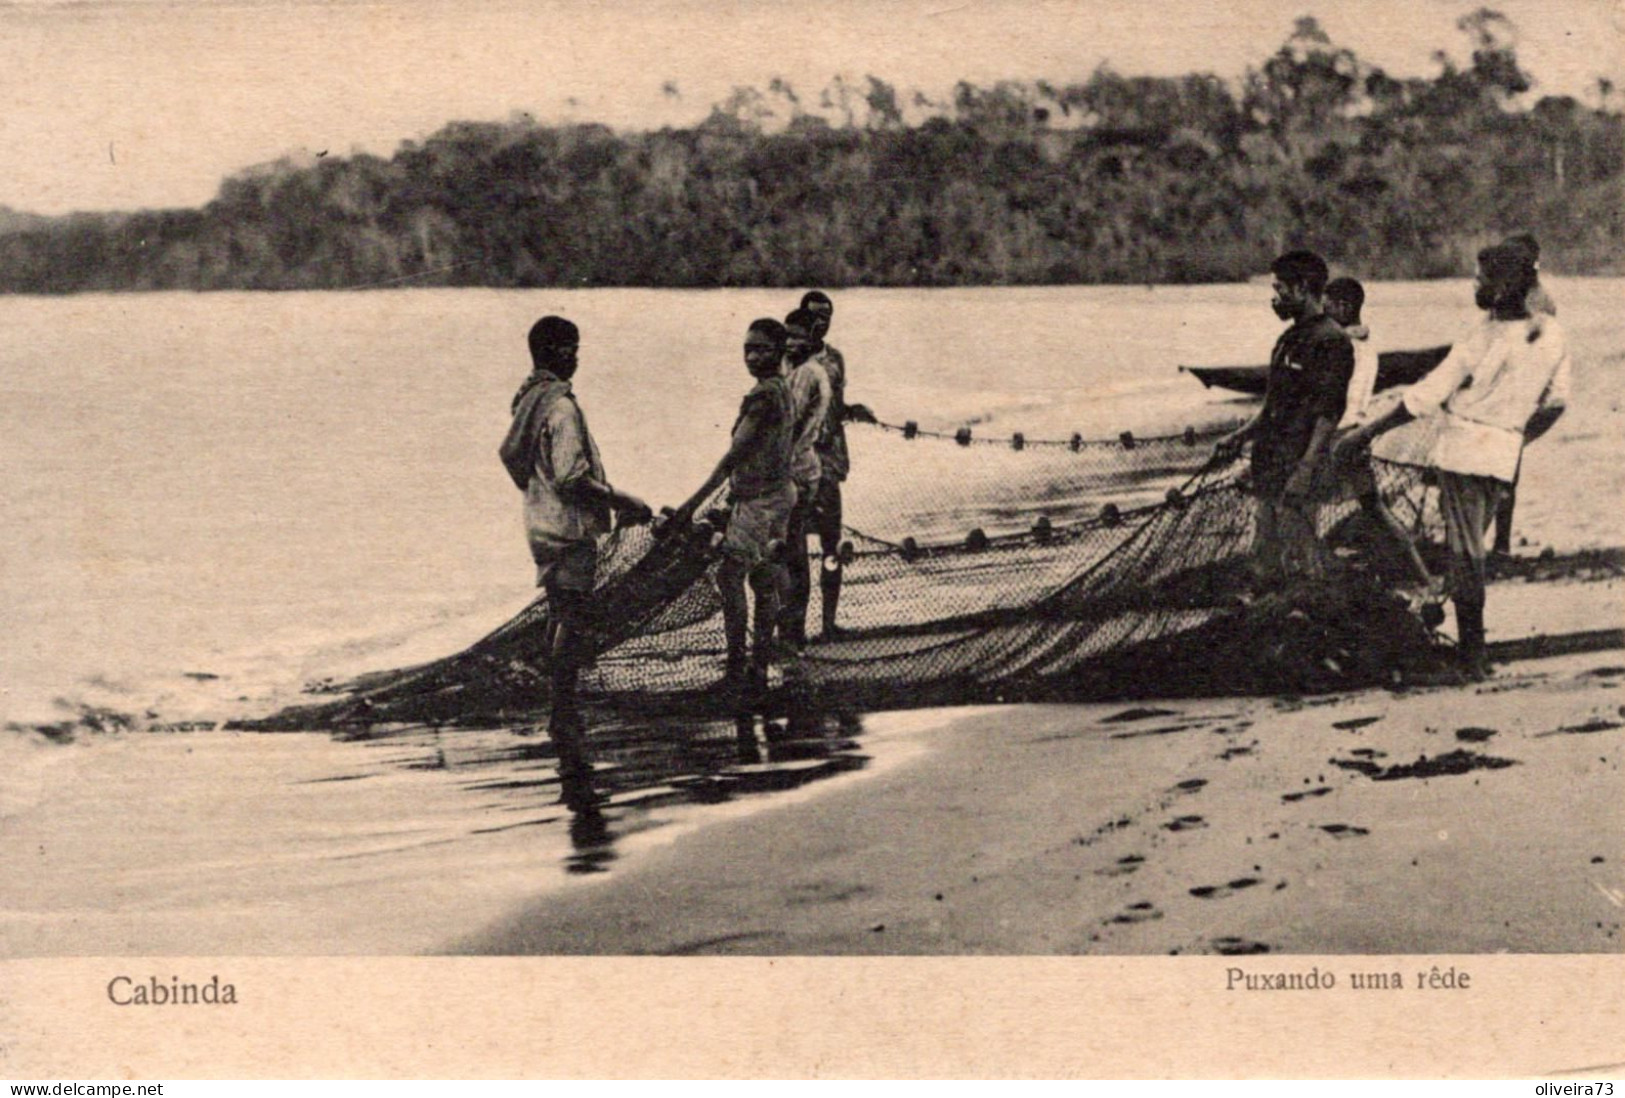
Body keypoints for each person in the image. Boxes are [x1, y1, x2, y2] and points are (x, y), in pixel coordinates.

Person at [1334, 243, 1571, 681]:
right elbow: (1557, 402)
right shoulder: (1551, 333)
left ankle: (1473, 657)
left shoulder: (1484, 336)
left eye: (1481, 279)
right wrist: (1518, 435)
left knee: (1464, 554)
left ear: (1501, 287)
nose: (1474, 285)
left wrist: (1365, 434)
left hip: (1464, 449)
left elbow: (1426, 395)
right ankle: (1473, 651)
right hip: (1502, 453)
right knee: (1471, 549)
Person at [499, 316, 651, 758]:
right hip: (568, 529)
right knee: (575, 618)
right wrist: (624, 501)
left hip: (540, 525)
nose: (577, 358)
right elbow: (571, 477)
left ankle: (559, 707)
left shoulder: (528, 401)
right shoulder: (561, 407)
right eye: (572, 349)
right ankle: (563, 714)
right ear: (556, 352)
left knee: (560, 614)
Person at [670, 319, 796, 699]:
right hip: (778, 495)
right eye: (748, 349)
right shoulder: (782, 390)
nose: (753, 356)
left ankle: (739, 668)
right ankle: (756, 667)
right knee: (763, 580)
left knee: (731, 576)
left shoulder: (763, 397)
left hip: (759, 501)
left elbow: (733, 457)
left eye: (762, 349)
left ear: (779, 352)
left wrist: (689, 505)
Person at [1215, 250, 1354, 590]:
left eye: (1280, 290)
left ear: (1304, 288)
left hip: (1297, 467)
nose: (1275, 299)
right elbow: (1271, 407)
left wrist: (1306, 469)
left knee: (1303, 557)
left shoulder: (1332, 342)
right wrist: (1238, 437)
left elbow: (1329, 414)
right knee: (1263, 556)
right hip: (1270, 463)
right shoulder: (1287, 340)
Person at [1322, 277, 1433, 587]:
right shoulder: (1365, 344)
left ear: (1344, 307)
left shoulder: (1341, 346)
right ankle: (1423, 577)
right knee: (1376, 510)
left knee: (1300, 504)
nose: (1323, 315)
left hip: (1337, 437)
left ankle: (1311, 574)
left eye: (1327, 308)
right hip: (1355, 434)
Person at [801, 290, 872, 639]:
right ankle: (792, 629)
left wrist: (853, 410)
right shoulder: (790, 361)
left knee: (832, 544)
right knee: (794, 549)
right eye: (814, 315)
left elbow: (836, 407)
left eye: (826, 316)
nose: (821, 322)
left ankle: (829, 624)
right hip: (798, 467)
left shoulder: (835, 360)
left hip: (829, 464)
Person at [1491, 233, 1559, 556]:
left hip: (1522, 397)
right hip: (1520, 395)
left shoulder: (1534, 301)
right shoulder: (1522, 297)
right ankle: (1497, 543)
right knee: (1503, 467)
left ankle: (1499, 545)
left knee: (1504, 467)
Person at [777, 308, 832, 650]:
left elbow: (788, 424)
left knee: (790, 555)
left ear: (812, 338)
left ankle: (790, 633)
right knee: (794, 553)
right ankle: (792, 632)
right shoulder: (809, 371)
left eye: (798, 336)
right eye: (787, 336)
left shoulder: (806, 375)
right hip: (806, 467)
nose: (791, 343)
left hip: (795, 470)